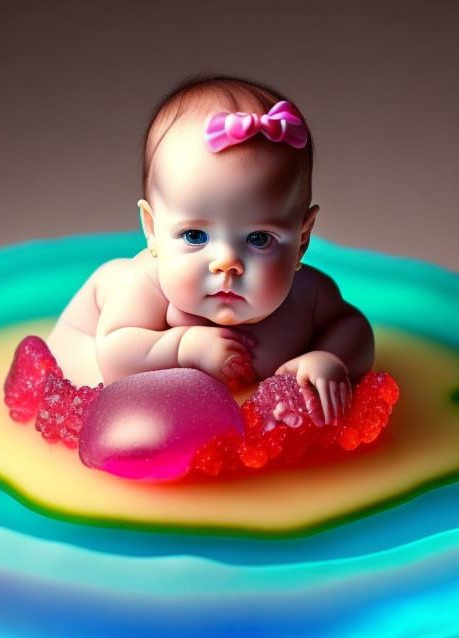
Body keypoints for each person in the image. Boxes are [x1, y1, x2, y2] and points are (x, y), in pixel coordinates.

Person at [46, 75, 374, 427]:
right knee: (82, 378)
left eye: (259, 239)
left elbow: (353, 327)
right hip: (88, 336)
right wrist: (185, 347)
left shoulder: (308, 296)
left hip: (216, 412)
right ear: (153, 229)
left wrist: (328, 357)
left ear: (301, 241)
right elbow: (113, 354)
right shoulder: (148, 287)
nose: (227, 263)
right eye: (194, 236)